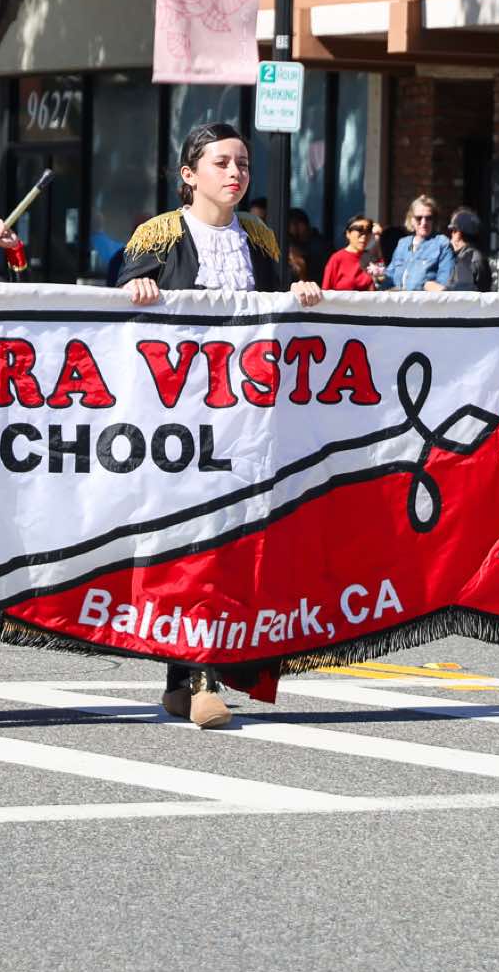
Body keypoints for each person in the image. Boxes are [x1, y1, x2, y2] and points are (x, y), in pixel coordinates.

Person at [121, 121, 323, 728]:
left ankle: (191, 677)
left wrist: (304, 294)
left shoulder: (259, 239)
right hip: (178, 421)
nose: (236, 173)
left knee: (234, 541)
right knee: (189, 541)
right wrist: (137, 289)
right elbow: (118, 315)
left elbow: (279, 314)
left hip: (248, 420)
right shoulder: (157, 236)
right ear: (189, 175)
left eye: (243, 163)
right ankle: (197, 674)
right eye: (222, 163)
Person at [385, 195, 453, 292]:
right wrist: (379, 277)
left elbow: (445, 284)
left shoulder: (442, 244)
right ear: (411, 219)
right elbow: (389, 278)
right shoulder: (403, 244)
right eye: (418, 218)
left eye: (428, 218)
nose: (423, 222)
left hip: (425, 300)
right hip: (398, 300)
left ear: (434, 220)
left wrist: (429, 286)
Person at [321, 214, 381, 291]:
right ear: (348, 234)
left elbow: (385, 282)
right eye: (359, 229)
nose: (364, 236)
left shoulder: (372, 257)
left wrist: (379, 236)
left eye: (368, 231)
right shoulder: (337, 258)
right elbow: (326, 290)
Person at [445, 208, 493, 292]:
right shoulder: (478, 256)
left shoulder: (467, 259)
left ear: (458, 234)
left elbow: (461, 294)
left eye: (452, 231)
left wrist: (438, 289)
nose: (451, 235)